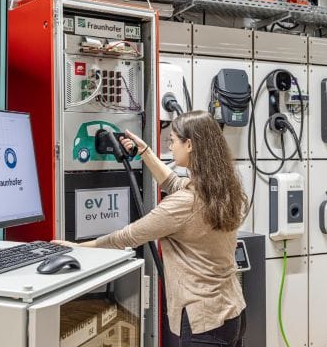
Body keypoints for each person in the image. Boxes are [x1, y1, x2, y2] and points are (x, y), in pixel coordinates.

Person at [54, 110, 248, 347]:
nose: (170, 146)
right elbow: (173, 183)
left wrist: (79, 248)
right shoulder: (222, 190)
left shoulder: (183, 204)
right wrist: (144, 151)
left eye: (173, 140)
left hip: (204, 320)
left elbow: (128, 236)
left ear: (189, 145)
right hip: (232, 311)